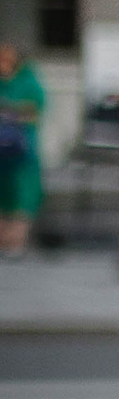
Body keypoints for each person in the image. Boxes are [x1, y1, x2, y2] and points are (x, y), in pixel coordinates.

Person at [0, 46, 45, 257]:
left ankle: (16, 242)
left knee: (22, 196)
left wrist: (9, 111)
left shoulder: (28, 82)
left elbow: (34, 112)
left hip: (22, 151)